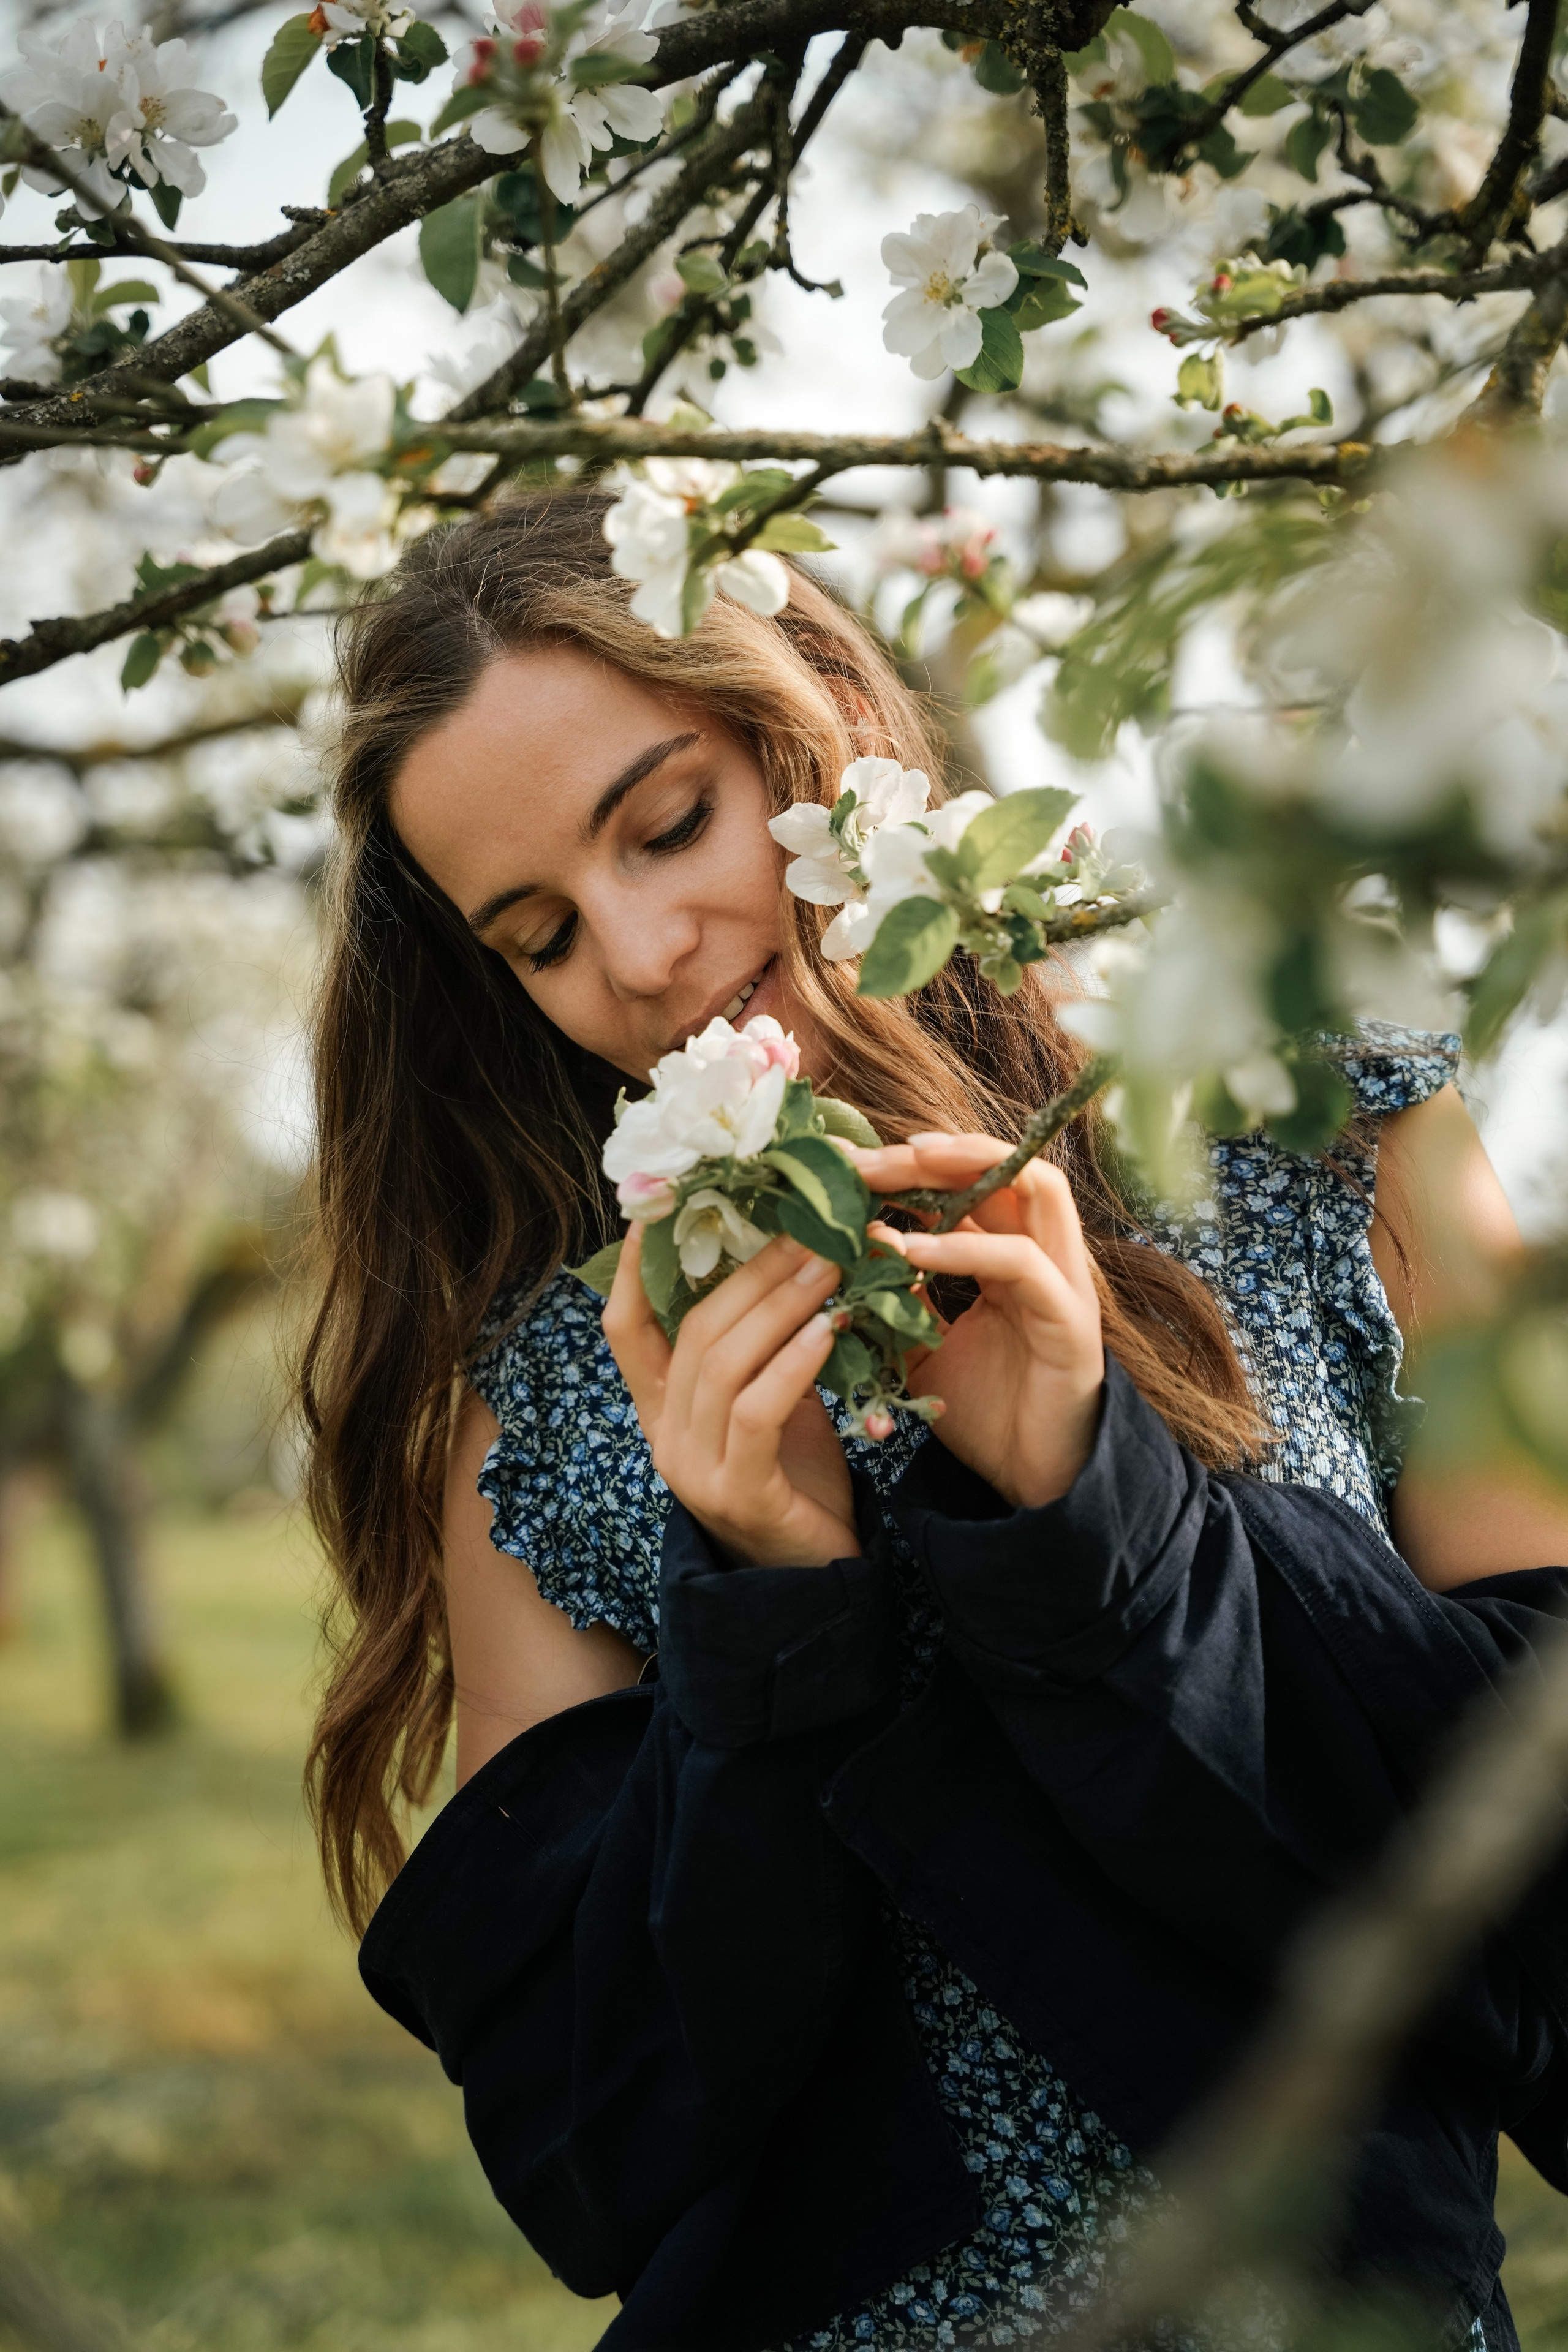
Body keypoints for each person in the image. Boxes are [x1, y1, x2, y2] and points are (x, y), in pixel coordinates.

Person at [301, 494, 1568, 2352]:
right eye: (539, 932)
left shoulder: (1317, 1122)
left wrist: (1100, 1516)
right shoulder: (559, 1412)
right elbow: (590, 2140)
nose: (644, 954)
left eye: (671, 823)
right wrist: (766, 1608)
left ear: (825, 730)